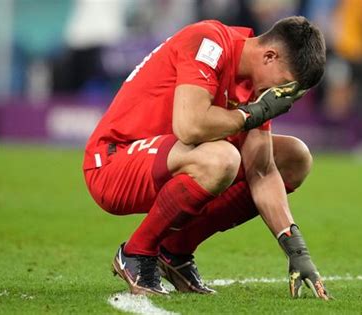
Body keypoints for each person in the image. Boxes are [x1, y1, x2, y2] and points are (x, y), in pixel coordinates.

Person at [83, 16, 330, 300]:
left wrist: (296, 249)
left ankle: (175, 252)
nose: (284, 98)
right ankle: (136, 252)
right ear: (269, 56)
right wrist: (251, 114)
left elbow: (261, 171)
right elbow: (189, 126)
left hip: (167, 160)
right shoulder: (209, 42)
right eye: (286, 86)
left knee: (294, 157)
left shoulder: (255, 86)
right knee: (221, 157)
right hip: (113, 162)